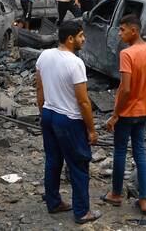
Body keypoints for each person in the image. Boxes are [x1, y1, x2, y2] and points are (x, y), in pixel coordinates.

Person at [35, 21, 101, 225]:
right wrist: (91, 130)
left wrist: (44, 113)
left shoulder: (44, 55)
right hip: (68, 120)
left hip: (49, 113)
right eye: (81, 35)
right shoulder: (75, 63)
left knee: (53, 161)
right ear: (70, 38)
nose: (84, 39)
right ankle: (82, 212)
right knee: (79, 164)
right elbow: (83, 101)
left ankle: (54, 202)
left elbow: (39, 90)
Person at [102, 14, 146, 216]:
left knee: (120, 151)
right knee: (140, 154)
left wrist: (115, 115)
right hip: (145, 110)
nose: (119, 33)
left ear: (133, 30)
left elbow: (126, 89)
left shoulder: (127, 54)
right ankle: (144, 199)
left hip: (127, 112)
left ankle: (116, 194)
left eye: (122, 30)